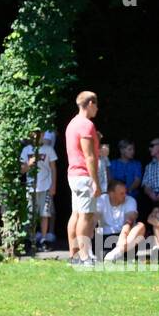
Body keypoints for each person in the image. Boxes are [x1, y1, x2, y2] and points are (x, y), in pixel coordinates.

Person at [65, 92, 102, 266]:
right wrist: (95, 181)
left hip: (73, 175)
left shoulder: (72, 123)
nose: (97, 108)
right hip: (84, 176)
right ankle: (85, 256)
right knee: (86, 217)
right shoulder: (86, 125)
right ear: (90, 103)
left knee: (76, 214)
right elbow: (89, 157)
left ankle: (74, 255)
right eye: (96, 104)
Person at [20, 128, 57, 252]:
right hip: (31, 187)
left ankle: (44, 239)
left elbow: (53, 168)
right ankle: (31, 239)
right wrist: (29, 163)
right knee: (30, 214)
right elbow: (22, 170)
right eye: (34, 134)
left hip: (45, 186)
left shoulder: (48, 149)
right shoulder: (26, 150)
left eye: (39, 134)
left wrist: (53, 185)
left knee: (44, 214)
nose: (37, 137)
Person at [97, 179, 145, 263]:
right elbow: (93, 219)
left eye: (125, 192)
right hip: (106, 239)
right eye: (121, 193)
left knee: (140, 226)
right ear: (111, 194)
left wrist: (123, 237)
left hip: (126, 239)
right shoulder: (101, 200)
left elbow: (129, 220)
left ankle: (117, 252)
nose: (125, 195)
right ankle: (113, 255)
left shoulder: (130, 200)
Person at [108, 139, 143, 211]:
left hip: (132, 196)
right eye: (130, 149)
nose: (133, 152)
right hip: (115, 198)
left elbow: (137, 180)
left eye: (133, 149)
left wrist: (127, 190)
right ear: (122, 150)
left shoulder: (136, 164)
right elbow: (110, 180)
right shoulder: (112, 164)